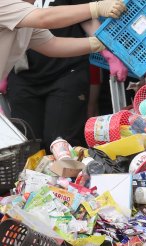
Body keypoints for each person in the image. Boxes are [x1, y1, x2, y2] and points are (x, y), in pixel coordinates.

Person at [4, 0, 128, 147]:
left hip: (66, 72)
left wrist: (103, 46)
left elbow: (52, 45)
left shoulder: (28, 23)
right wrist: (96, 8)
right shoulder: (7, 6)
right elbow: (43, 18)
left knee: (59, 142)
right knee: (28, 144)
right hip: (24, 78)